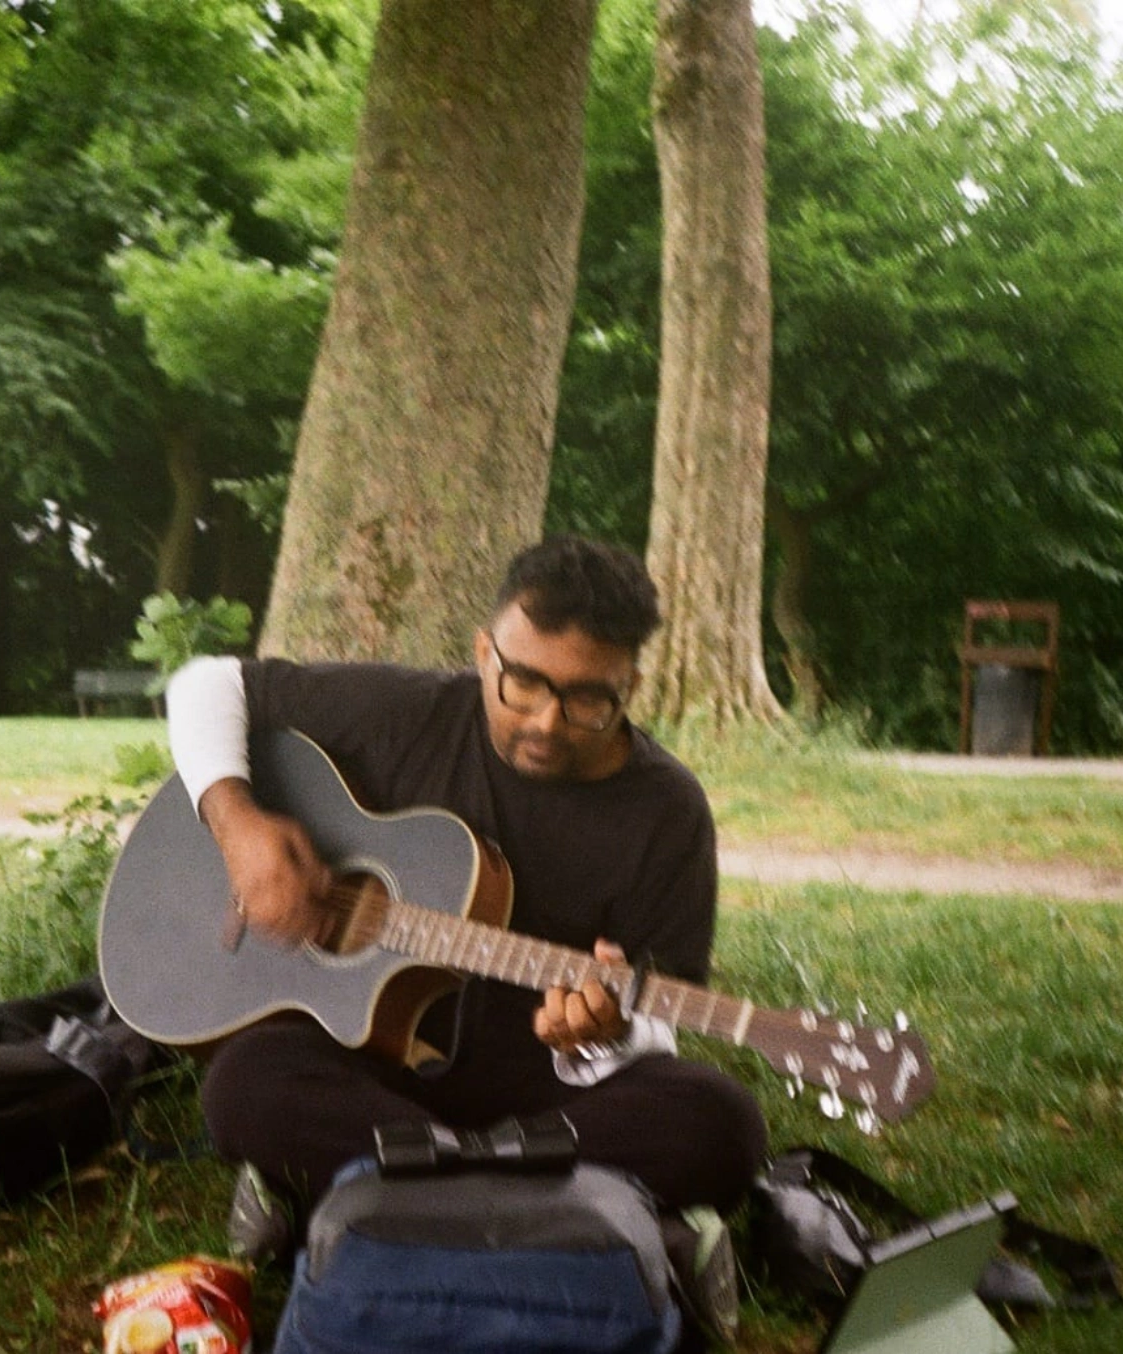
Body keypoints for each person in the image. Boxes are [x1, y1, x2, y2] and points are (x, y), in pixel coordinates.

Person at [166, 534, 768, 1343]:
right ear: (485, 651)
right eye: (523, 684)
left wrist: (598, 1038)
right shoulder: (407, 713)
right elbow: (205, 685)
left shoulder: (667, 813)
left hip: (547, 1096)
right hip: (380, 1073)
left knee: (720, 1123)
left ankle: (365, 1188)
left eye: (590, 699)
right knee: (245, 1082)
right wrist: (240, 827)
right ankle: (550, 1200)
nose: (548, 723)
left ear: (631, 684)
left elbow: (657, 1025)